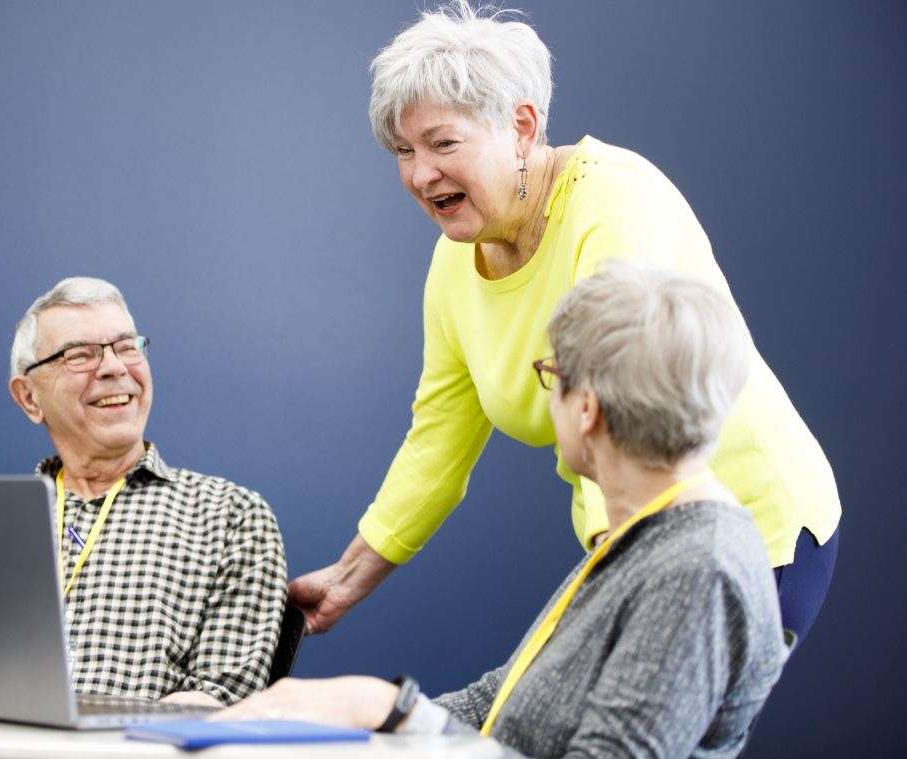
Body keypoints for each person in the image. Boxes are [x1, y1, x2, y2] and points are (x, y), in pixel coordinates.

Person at [290, 0, 840, 643]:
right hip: (632, 538)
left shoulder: (614, 200)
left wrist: (612, 578)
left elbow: (616, 403)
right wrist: (349, 575)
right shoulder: (453, 264)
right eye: (403, 150)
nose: (420, 173)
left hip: (746, 527)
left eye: (442, 143)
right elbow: (438, 436)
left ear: (523, 127)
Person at [220, 265, 790, 758]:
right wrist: (353, 719)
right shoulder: (648, 534)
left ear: (585, 409)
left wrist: (387, 709)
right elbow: (508, 698)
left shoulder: (696, 568)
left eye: (551, 376)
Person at [7, 276, 287, 706]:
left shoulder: (230, 517)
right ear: (29, 398)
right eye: (80, 355)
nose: (114, 367)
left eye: (126, 346)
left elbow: (221, 702)